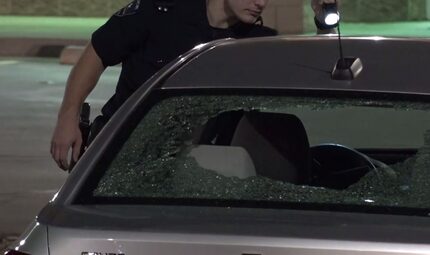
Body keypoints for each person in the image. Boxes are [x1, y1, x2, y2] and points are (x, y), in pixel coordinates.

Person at [51, 0, 336, 170]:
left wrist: (324, 23)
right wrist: (68, 118)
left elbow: (312, 71)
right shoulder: (162, 11)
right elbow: (98, 52)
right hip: (120, 151)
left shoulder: (257, 42)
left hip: (198, 168)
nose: (261, 2)